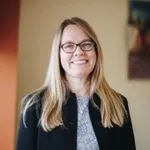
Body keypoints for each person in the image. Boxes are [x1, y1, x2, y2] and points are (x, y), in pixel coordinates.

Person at [16, 17, 136, 150]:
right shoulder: (34, 105)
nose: (79, 52)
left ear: (96, 51)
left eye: (86, 44)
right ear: (58, 53)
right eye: (69, 46)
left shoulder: (118, 103)